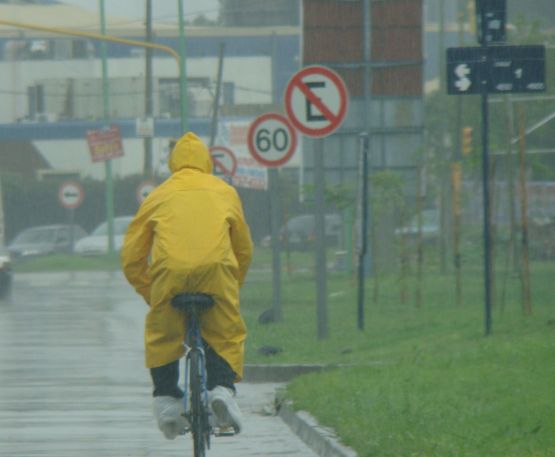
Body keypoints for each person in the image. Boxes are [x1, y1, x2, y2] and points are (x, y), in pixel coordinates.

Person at [121, 132, 253, 440]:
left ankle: (167, 400)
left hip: (170, 274)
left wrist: (150, 291)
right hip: (216, 272)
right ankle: (221, 390)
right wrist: (233, 287)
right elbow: (244, 249)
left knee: (162, 333)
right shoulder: (225, 192)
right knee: (226, 331)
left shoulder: (158, 195)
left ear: (173, 163)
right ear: (207, 161)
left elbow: (131, 257)